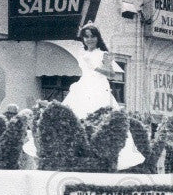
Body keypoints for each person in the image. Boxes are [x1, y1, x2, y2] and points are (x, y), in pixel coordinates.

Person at [59, 22, 143, 170]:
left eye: (92, 36)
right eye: (86, 37)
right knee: (76, 115)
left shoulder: (104, 54)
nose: (89, 40)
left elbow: (112, 74)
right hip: (84, 86)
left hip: (98, 87)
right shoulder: (83, 54)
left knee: (101, 117)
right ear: (83, 39)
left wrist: (95, 67)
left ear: (98, 38)